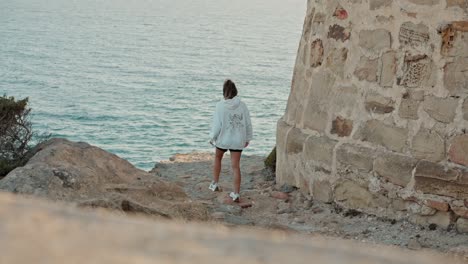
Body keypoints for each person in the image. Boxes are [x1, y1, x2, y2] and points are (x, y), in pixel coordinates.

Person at [208, 79, 252, 202]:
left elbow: (217, 125)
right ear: (235, 91)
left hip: (224, 138)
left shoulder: (220, 105)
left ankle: (215, 184)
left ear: (224, 92)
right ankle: (236, 194)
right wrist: (248, 138)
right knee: (235, 167)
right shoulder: (242, 105)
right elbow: (248, 123)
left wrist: (212, 137)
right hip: (238, 140)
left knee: (218, 158)